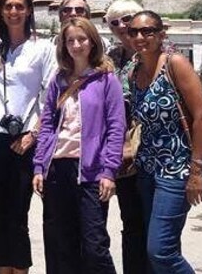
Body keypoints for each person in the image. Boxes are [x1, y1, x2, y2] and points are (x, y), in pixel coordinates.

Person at [0, 0, 57, 274]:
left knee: (18, 212)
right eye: (8, 6)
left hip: (25, 140)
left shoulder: (43, 49)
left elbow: (51, 97)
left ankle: (18, 269)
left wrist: (34, 133)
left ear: (29, 11)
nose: (13, 11)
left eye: (19, 6)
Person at [32, 18, 125, 274]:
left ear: (92, 41)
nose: (76, 45)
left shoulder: (106, 80)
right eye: (70, 40)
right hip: (57, 168)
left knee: (94, 244)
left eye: (81, 39)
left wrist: (109, 171)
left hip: (91, 172)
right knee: (60, 243)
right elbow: (48, 124)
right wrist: (39, 166)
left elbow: (116, 128)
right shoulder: (59, 80)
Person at [128, 10, 202, 274]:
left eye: (147, 31)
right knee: (163, 248)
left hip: (176, 172)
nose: (140, 37)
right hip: (146, 172)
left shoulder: (174, 64)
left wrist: (196, 171)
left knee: (160, 250)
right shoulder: (135, 71)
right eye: (134, 32)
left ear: (161, 34)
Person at [104, 0, 148, 274]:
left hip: (154, 152)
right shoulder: (112, 58)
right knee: (131, 222)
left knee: (154, 227)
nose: (122, 25)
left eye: (127, 18)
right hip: (123, 153)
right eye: (115, 22)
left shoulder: (160, 54)